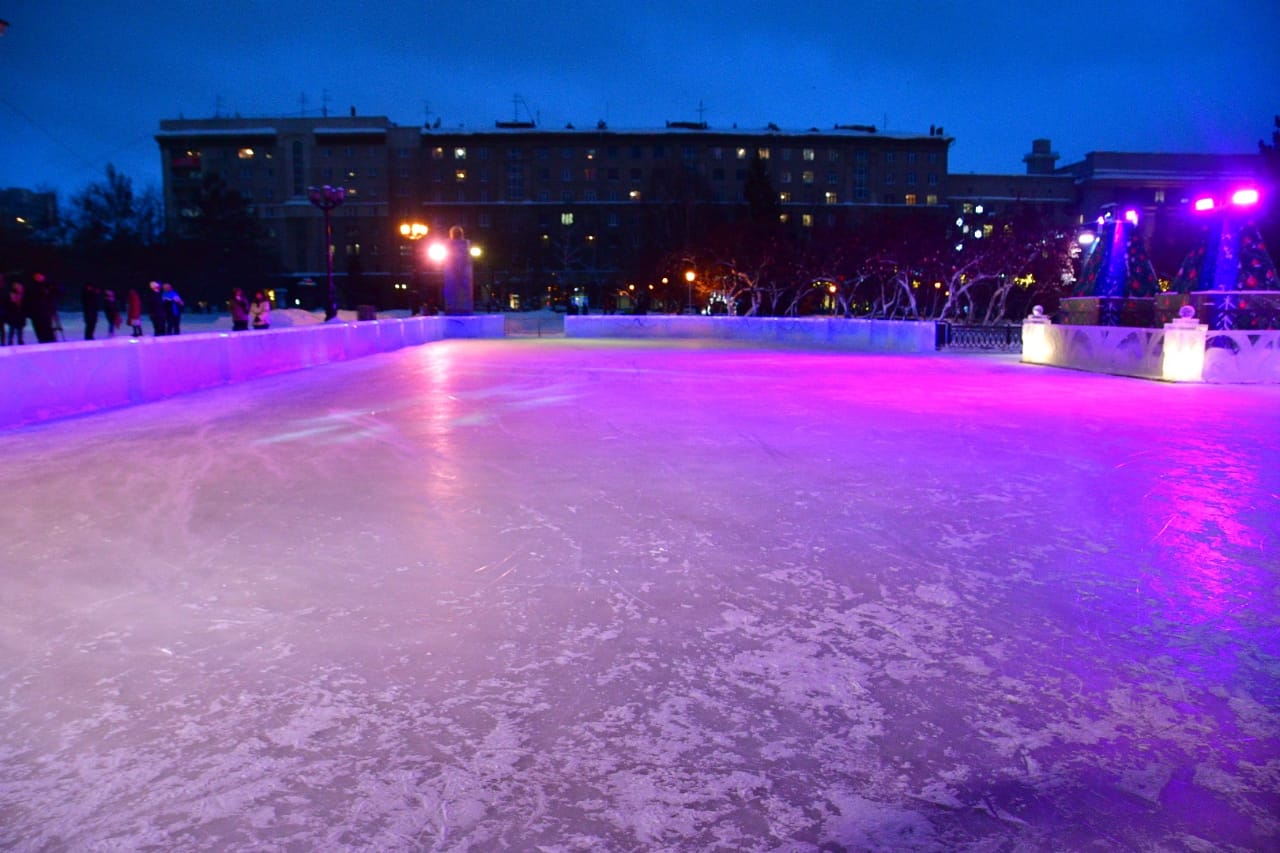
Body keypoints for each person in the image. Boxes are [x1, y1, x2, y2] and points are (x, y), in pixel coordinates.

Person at [2, 276, 24, 346]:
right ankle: (10, 340)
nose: (17, 286)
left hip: (20, 313)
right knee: (12, 327)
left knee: (20, 327)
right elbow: (9, 302)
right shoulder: (10, 293)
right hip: (13, 312)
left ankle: (20, 340)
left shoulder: (22, 293)